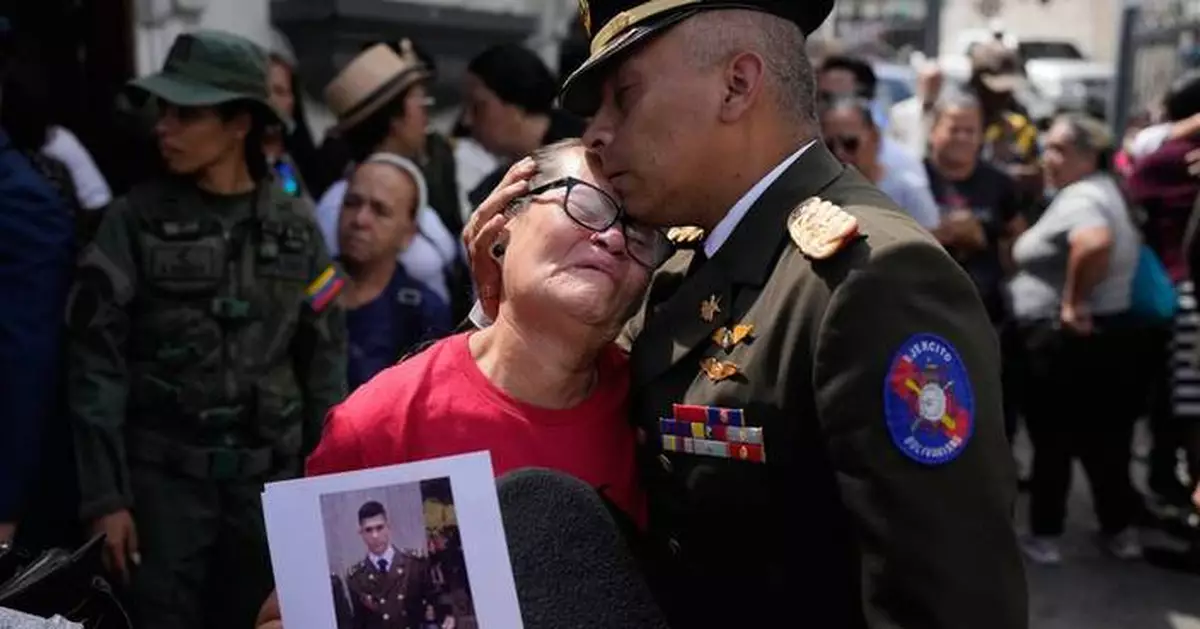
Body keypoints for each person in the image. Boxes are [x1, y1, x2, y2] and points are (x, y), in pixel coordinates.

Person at [465, 0, 1027, 627]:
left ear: (736, 87)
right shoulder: (688, 258)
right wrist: (501, 300)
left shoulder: (871, 278)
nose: (596, 132)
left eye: (624, 96)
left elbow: (947, 601)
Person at [253, 138, 667, 629]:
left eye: (639, 231)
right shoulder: (384, 421)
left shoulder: (660, 403)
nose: (613, 238)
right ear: (500, 225)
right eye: (586, 205)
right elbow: (290, 615)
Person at [65, 30, 347, 629]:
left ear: (240, 123)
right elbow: (96, 365)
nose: (165, 127)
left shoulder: (296, 226)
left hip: (269, 495)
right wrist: (105, 498)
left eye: (187, 114)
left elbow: (326, 366)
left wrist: (329, 495)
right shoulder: (132, 221)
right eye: (164, 111)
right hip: (163, 497)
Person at [1010, 114, 1144, 565]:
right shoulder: (1103, 188)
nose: (1048, 158)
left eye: (1059, 150)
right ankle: (1119, 531)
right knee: (1105, 441)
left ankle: (1045, 537)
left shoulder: (1083, 198)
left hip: (1067, 344)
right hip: (1104, 339)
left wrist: (1072, 302)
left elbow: (1094, 243)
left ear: (1089, 155)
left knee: (1054, 441)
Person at [319, 42, 468, 319]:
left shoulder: (413, 187)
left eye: (380, 210)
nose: (427, 118)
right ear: (394, 120)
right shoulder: (338, 204)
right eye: (421, 105)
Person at [923, 91, 1027, 440]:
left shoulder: (999, 183)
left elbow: (1017, 239)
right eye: (955, 129)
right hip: (924, 316)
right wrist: (941, 233)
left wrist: (988, 243)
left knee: (990, 409)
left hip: (986, 316)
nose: (964, 138)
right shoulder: (914, 178)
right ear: (934, 130)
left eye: (972, 130)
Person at [339, 155, 453, 390]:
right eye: (352, 203)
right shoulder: (307, 284)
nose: (360, 220)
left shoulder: (424, 312)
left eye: (380, 211)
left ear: (409, 233)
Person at [461, 43, 586, 208]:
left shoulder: (588, 159)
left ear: (515, 105)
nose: (467, 120)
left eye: (478, 106)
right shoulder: (491, 191)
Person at [821, 95, 939, 229]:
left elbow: (932, 239)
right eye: (829, 145)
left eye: (850, 144)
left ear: (875, 137)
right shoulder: (818, 194)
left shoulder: (907, 190)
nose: (839, 153)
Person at [345, 501, 451, 629]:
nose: (375, 536)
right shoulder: (356, 578)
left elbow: (436, 600)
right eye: (368, 530)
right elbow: (359, 622)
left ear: (388, 527)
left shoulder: (414, 564)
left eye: (380, 528)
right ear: (361, 533)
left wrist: (448, 616)